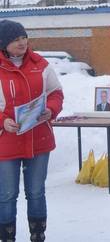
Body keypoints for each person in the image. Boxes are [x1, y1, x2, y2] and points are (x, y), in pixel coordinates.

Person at [0, 20, 64, 242]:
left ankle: (38, 235)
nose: (22, 42)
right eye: (15, 39)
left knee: (36, 191)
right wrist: (3, 121)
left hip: (39, 138)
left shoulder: (41, 64)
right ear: (3, 43)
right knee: (7, 195)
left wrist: (50, 109)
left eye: (23, 37)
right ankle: (7, 237)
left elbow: (56, 92)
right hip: (7, 141)